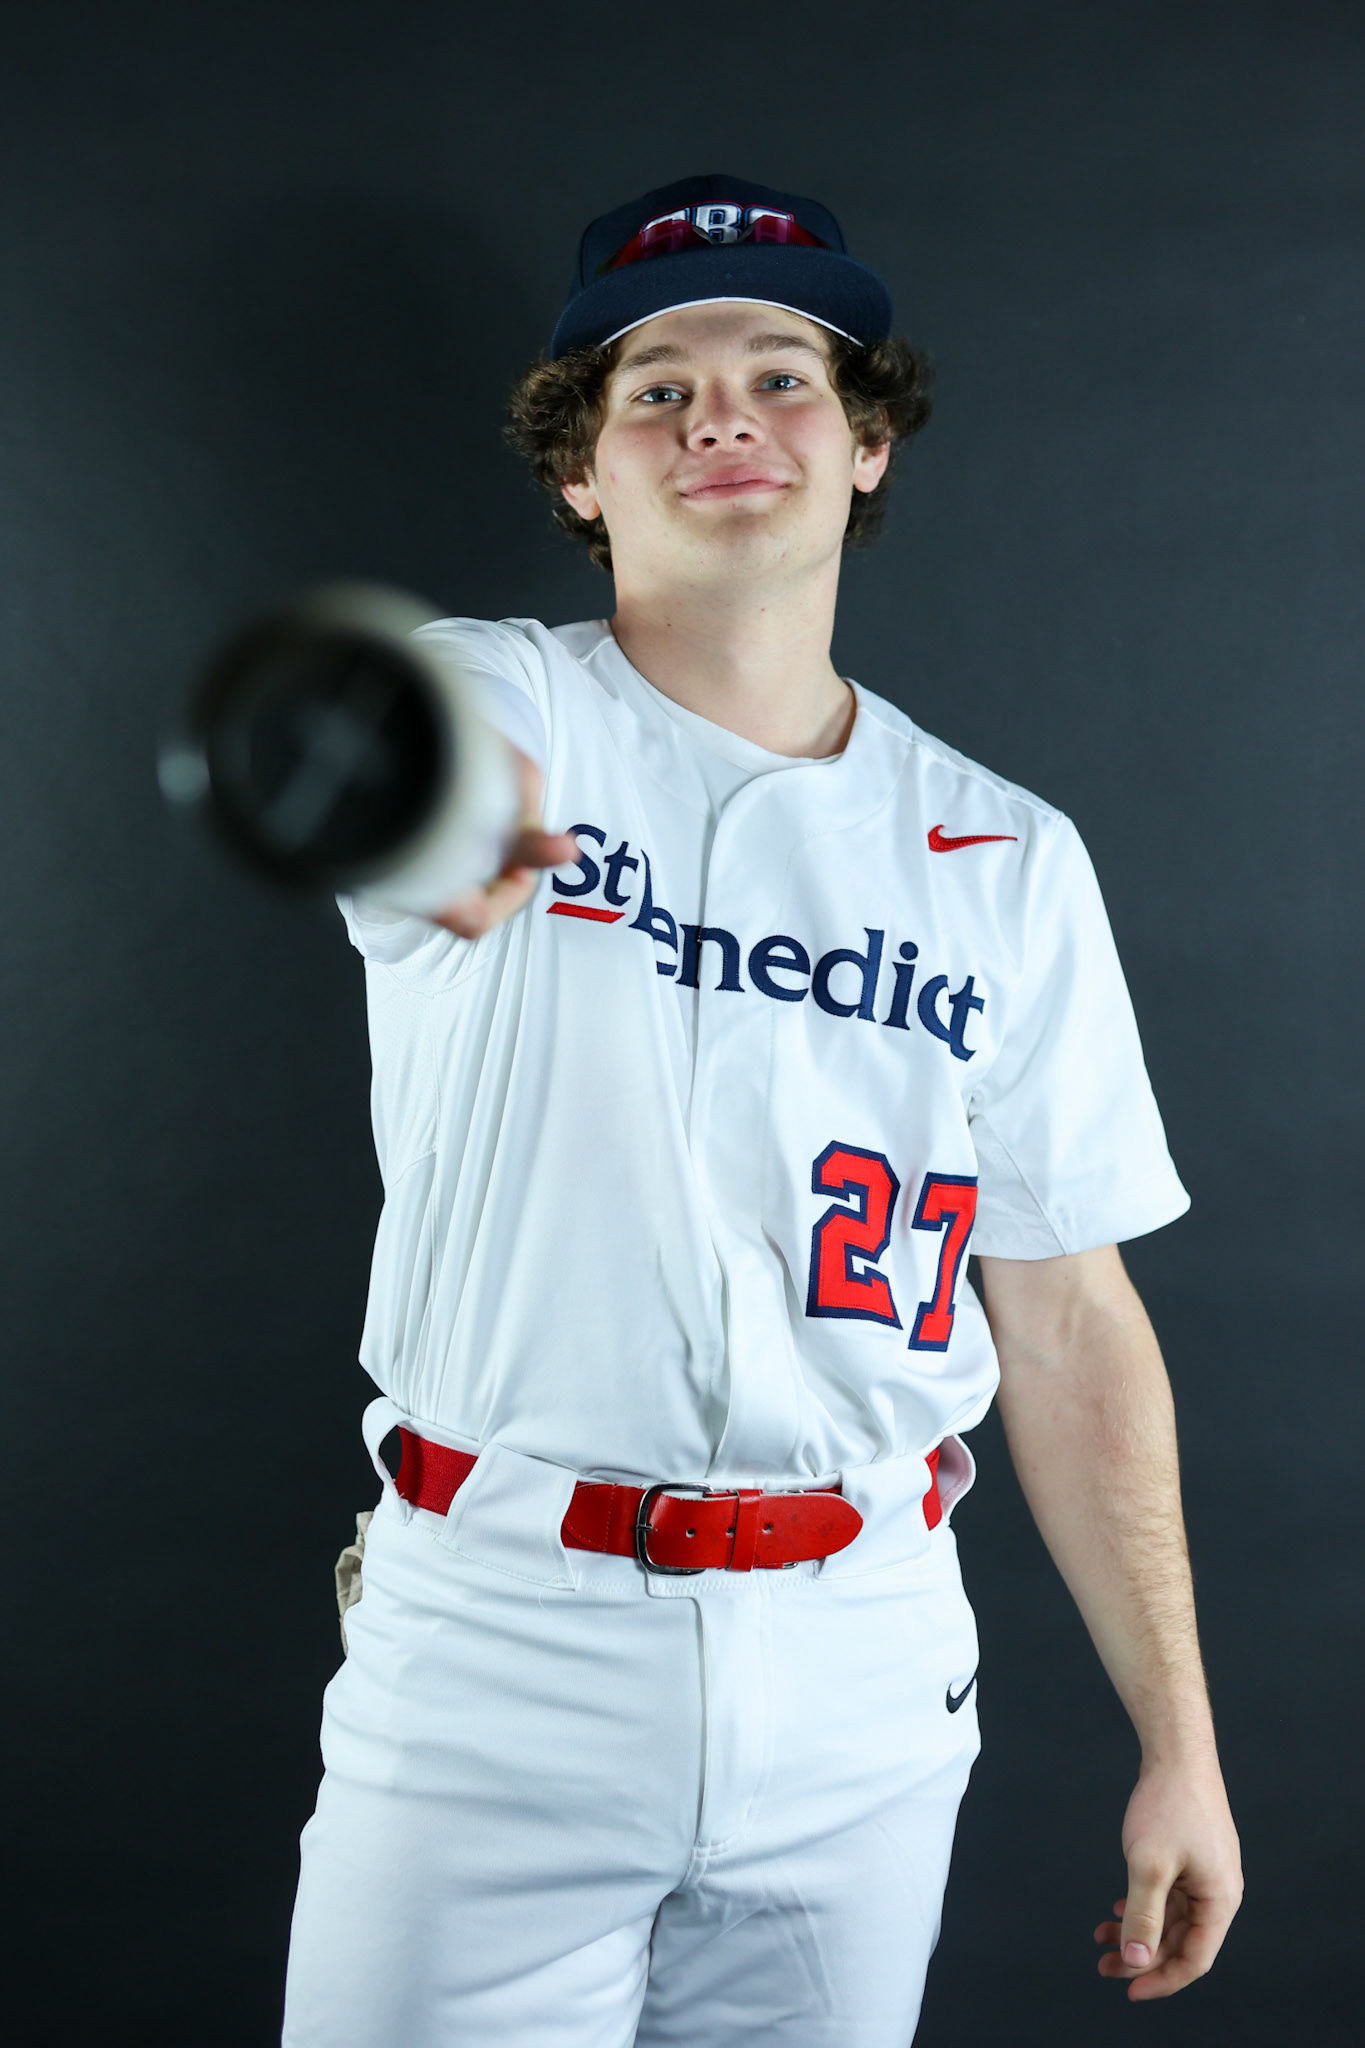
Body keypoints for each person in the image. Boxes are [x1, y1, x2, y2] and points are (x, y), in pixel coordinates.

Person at [280, 174, 1242, 2046]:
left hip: (867, 1657)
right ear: (580, 479)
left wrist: (1179, 1747)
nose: (722, 410)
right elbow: (374, 735)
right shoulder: (496, 707)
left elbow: (1064, 1311)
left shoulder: (1006, 857)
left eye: (783, 372)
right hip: (502, 1641)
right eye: (654, 387)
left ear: (866, 447)